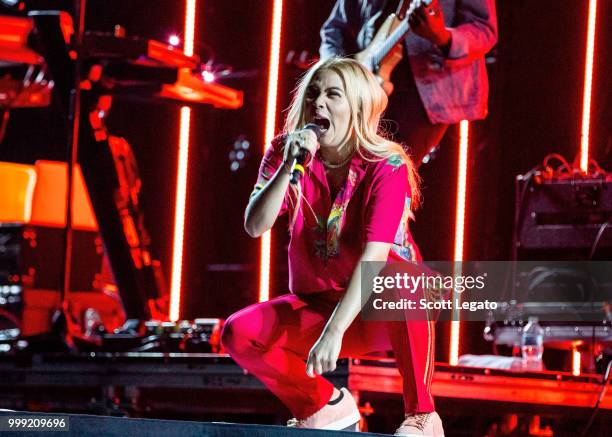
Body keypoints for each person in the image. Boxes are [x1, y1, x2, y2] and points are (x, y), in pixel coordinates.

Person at [221, 57, 444, 436]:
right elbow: (255, 225)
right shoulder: (287, 153)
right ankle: (324, 405)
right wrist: (288, 167)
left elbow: (375, 257)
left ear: (356, 106)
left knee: (408, 284)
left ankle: (422, 415)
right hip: (319, 304)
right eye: (313, 95)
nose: (318, 103)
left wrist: (334, 332)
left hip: (380, 308)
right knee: (238, 333)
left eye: (332, 94)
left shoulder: (385, 164)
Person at [320, 0, 498, 166]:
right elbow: (334, 28)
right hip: (360, 90)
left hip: (425, 96)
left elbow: (484, 28)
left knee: (387, 182)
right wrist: (336, 74)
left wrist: (442, 38)